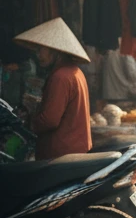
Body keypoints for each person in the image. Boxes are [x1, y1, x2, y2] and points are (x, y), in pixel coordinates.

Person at [14, 18, 92, 159]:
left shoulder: (60, 77)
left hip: (61, 153)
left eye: (41, 50)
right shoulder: (74, 71)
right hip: (74, 150)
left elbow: (49, 120)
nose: (38, 55)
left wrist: (29, 121)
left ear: (56, 51)